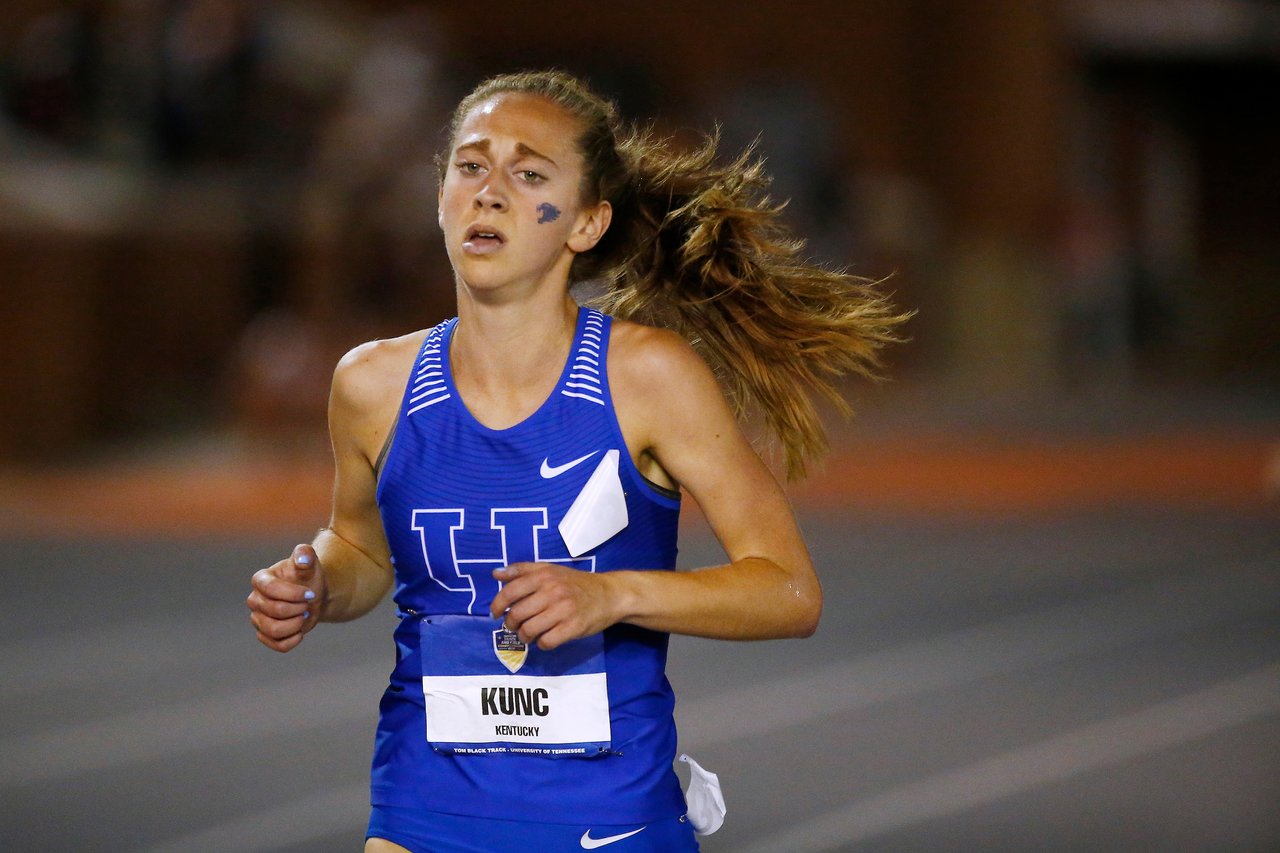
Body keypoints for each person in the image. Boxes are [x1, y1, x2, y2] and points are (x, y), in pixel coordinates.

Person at [247, 70, 907, 853]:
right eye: (470, 165)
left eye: (528, 175)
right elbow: (359, 547)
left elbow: (790, 591)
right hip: (423, 809)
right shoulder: (371, 384)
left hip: (610, 819)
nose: (489, 192)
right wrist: (317, 581)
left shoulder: (646, 378)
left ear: (587, 224)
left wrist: (610, 595)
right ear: (441, 195)